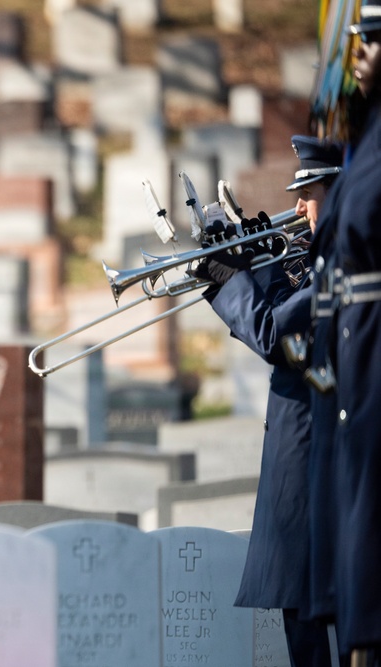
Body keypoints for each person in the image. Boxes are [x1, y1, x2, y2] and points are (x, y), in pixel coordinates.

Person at [192, 134, 344, 667]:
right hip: (302, 468)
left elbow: (276, 337)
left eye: (312, 192)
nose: (299, 207)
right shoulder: (323, 259)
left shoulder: (347, 266)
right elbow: (285, 326)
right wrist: (261, 265)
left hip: (322, 467)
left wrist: (231, 278)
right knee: (299, 628)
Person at [322, 3, 381, 662]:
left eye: (374, 42)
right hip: (357, 372)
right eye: (359, 40)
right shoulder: (366, 139)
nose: (359, 54)